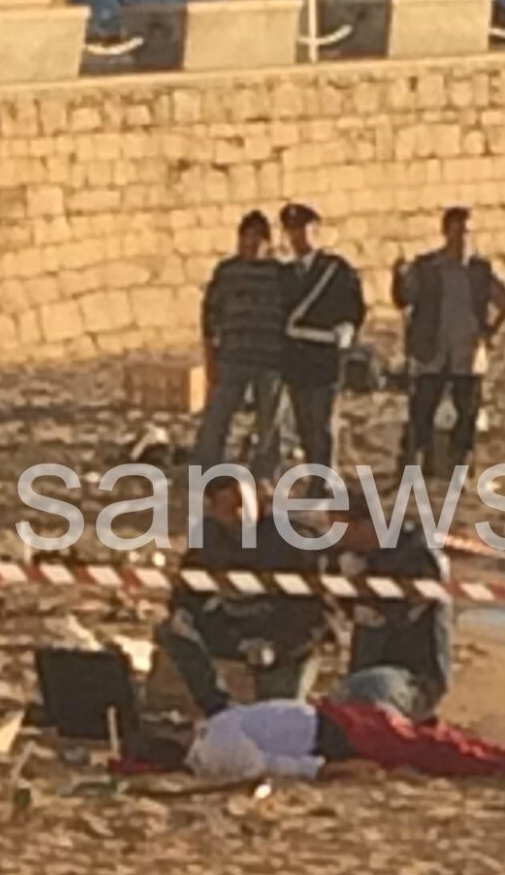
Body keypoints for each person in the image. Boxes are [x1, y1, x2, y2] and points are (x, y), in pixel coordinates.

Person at [154, 474, 330, 716]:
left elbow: (317, 611)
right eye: (228, 508)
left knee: (276, 718)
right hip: (234, 629)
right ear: (214, 510)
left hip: (284, 640)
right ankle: (218, 708)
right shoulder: (208, 539)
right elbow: (188, 589)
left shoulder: (292, 539)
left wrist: (279, 646)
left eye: (242, 505)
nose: (238, 515)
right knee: (172, 632)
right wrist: (185, 615)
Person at [183, 693, 505, 785]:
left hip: (340, 722)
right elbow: (270, 766)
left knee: (442, 746)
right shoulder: (218, 743)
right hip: (340, 731)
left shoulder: (216, 733)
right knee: (449, 752)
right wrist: (334, 770)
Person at [392, 207, 505, 472]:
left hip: (467, 352)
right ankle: (413, 462)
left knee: (467, 412)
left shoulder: (479, 270)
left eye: (468, 233)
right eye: (458, 232)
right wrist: (398, 277)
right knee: (422, 409)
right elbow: (404, 299)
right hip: (432, 349)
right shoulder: (427, 267)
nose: (463, 239)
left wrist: (490, 331)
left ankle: (460, 462)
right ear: (446, 232)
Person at [330, 505, 455, 720]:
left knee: (368, 691)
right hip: (368, 664)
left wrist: (365, 583)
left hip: (415, 675)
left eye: (342, 527)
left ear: (368, 524)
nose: (337, 536)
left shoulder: (416, 555)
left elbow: (403, 612)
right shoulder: (354, 555)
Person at [192, 212, 289, 477]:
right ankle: (206, 469)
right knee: (217, 415)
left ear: (268, 242)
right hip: (233, 356)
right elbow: (210, 316)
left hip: (271, 359)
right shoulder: (227, 272)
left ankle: (265, 473)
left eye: (258, 238)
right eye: (246, 237)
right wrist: (211, 356)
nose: (251, 243)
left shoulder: (281, 274)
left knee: (270, 421)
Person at [280, 203, 365, 471]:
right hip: (296, 359)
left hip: (324, 358)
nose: (297, 238)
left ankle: (325, 478)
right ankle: (314, 473)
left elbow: (354, 308)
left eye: (302, 230)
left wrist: (347, 330)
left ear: (315, 231)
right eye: (291, 231)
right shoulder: (285, 274)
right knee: (304, 424)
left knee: (323, 422)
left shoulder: (335, 270)